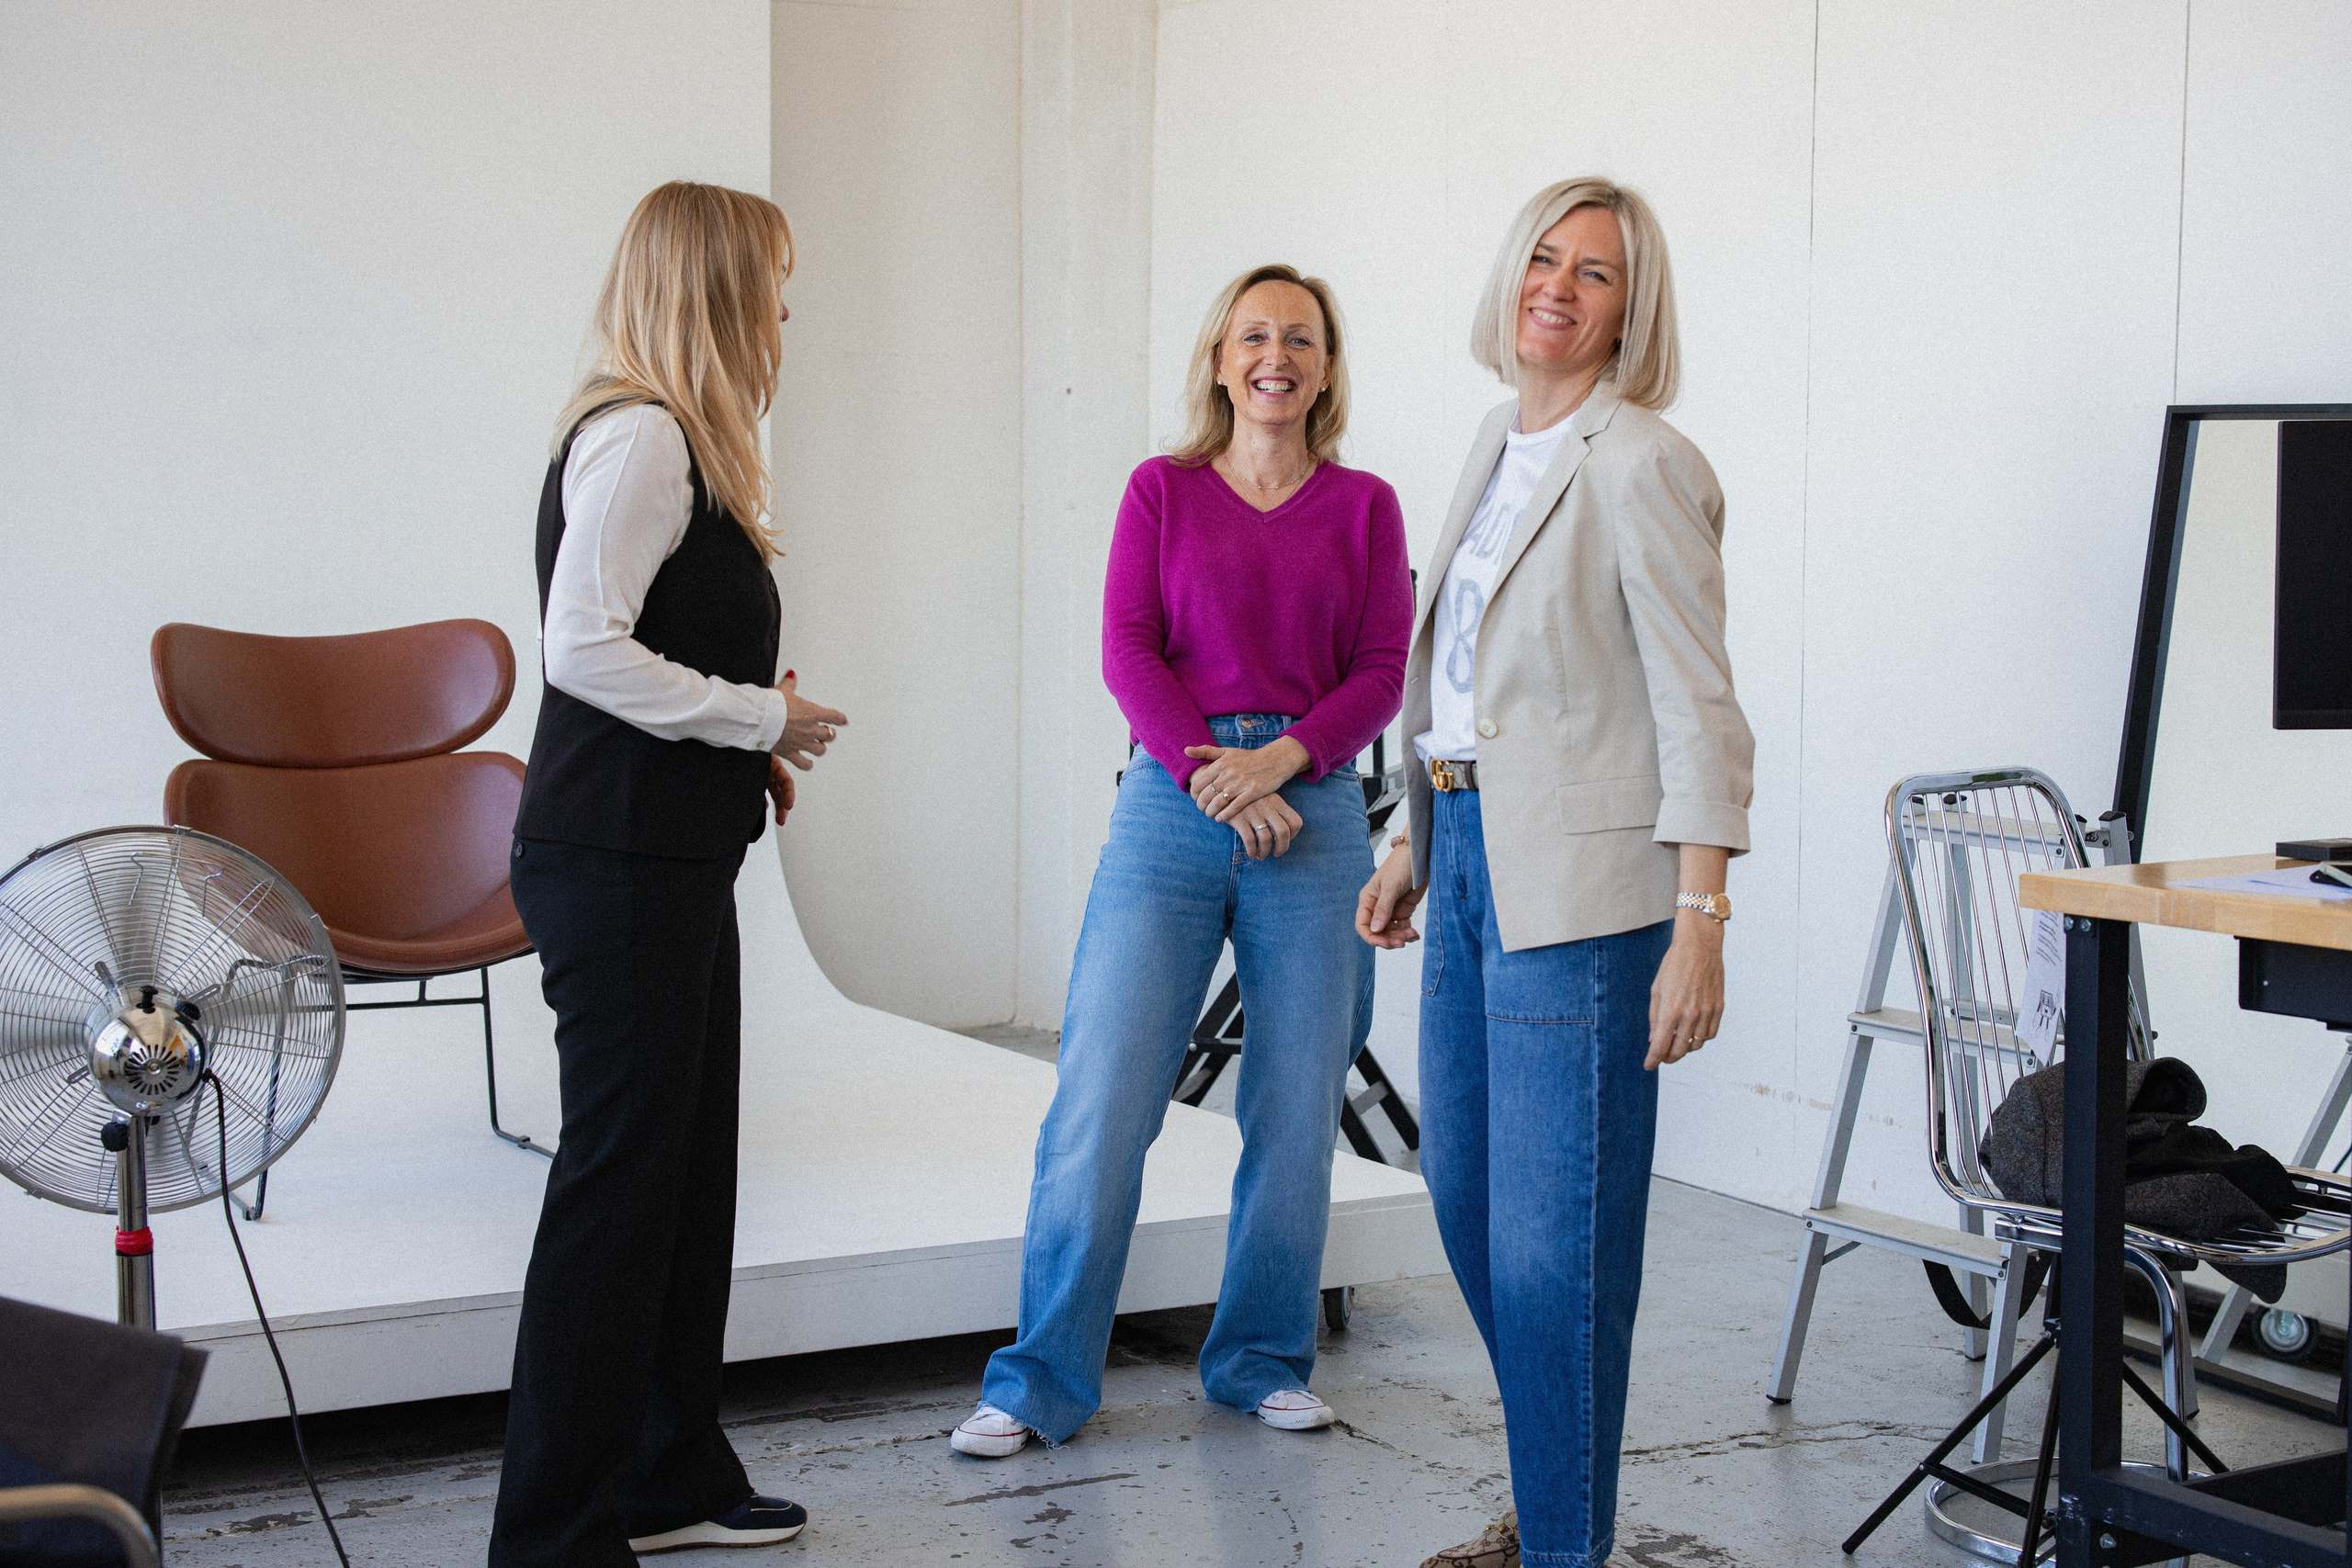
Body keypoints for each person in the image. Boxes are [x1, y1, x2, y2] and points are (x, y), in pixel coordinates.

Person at [1357, 179, 1754, 1568]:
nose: (1559, 287)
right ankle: (1552, 1506)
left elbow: (1697, 706)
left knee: (1557, 1249)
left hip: (1584, 897)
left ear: (1627, 315)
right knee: (1466, 1205)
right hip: (1464, 854)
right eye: (1544, 257)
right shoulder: (1493, 438)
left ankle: (1563, 1545)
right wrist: (1417, 835)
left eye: (1596, 274)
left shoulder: (1643, 459)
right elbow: (1475, 684)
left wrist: (1701, 917)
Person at [952, 264, 1413, 1459]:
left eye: (1300, 339)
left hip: (1312, 815)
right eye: (1253, 336)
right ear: (1219, 359)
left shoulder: (1366, 507)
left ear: (1326, 365)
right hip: (1173, 802)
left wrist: (1285, 764)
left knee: (1297, 1099)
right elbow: (1128, 647)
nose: (1276, 356)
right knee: (1103, 1094)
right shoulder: (1161, 491)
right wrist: (1217, 773)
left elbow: (1379, 669)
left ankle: (1259, 1358)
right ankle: (1039, 1377)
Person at [491, 181, 850, 1567]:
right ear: (710, 290)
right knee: (621, 1187)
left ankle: (664, 1472)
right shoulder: (641, 436)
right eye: (770, 284)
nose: (781, 314)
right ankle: (553, 1536)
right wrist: (760, 718)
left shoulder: (679, 442)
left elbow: (651, 659)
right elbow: (581, 648)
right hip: (618, 865)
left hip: (671, 853)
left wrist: (732, 747)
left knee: (687, 1178)